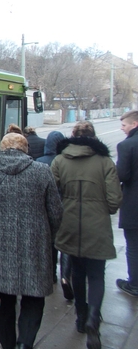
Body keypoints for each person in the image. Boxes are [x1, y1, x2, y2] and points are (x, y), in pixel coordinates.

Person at [0, 133, 62, 349]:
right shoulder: (42, 171)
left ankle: (9, 345)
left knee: (4, 302)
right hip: (35, 245)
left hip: (0, 247)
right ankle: (25, 343)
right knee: (34, 297)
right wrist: (49, 235)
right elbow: (56, 212)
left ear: (2, 148)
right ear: (26, 149)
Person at [51, 121, 122, 349]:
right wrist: (102, 209)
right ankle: (93, 317)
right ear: (94, 137)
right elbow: (114, 200)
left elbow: (52, 194)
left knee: (77, 273)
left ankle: (80, 318)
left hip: (69, 224)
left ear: (72, 135)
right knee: (97, 275)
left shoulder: (60, 160)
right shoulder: (105, 162)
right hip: (97, 225)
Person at [36, 130, 73, 299]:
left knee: (49, 243)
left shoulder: (40, 162)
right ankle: (65, 275)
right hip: (65, 207)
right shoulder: (66, 162)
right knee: (64, 244)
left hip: (44, 209)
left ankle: (50, 274)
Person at [115, 110, 138, 297]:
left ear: (134, 124)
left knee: (133, 245)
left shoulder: (127, 145)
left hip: (134, 204)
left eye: (124, 125)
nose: (122, 129)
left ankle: (134, 284)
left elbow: (122, 175)